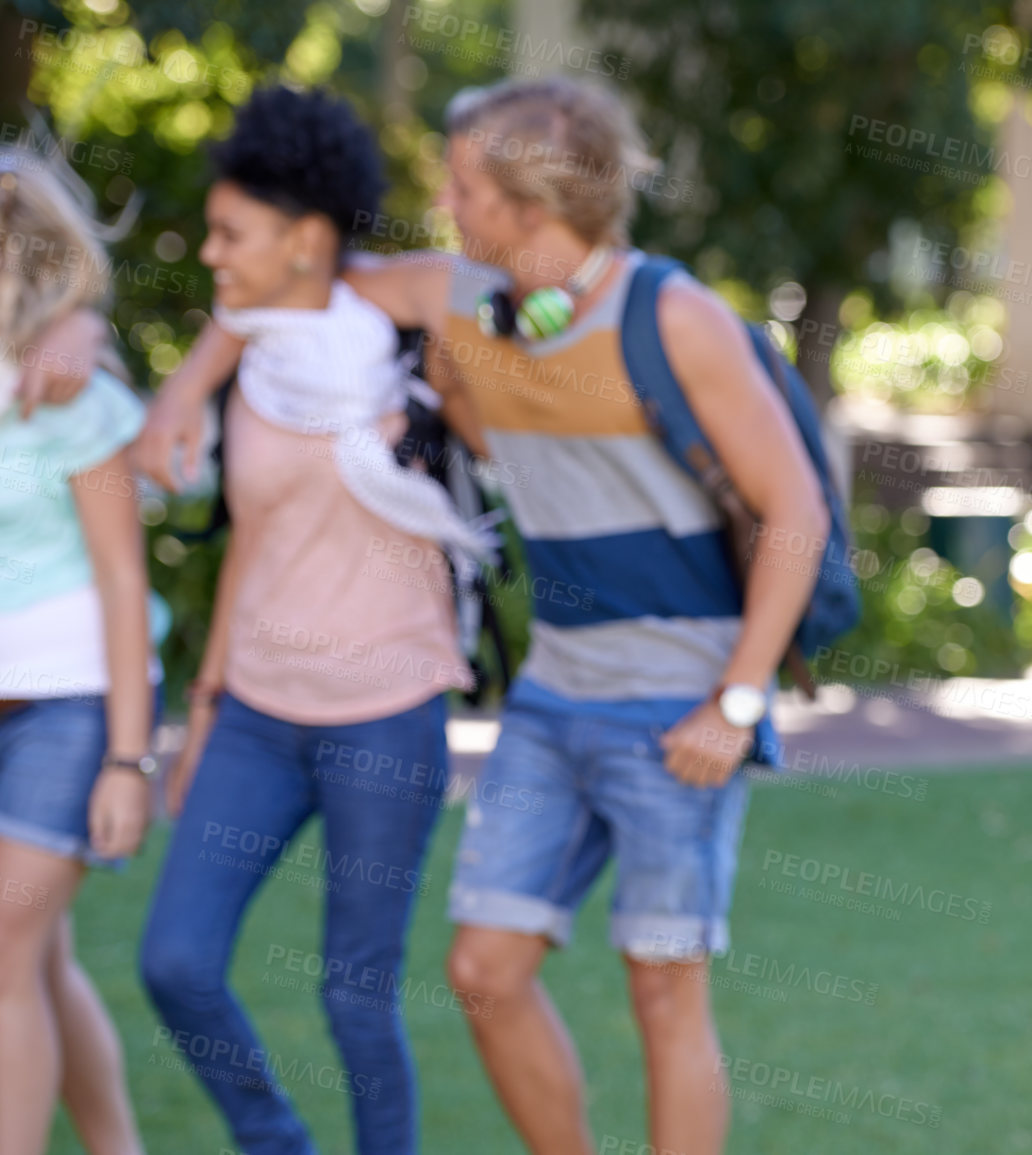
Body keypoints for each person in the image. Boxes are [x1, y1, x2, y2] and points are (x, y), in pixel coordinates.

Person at [131, 75, 829, 1155]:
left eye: (464, 187)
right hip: (555, 691)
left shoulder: (671, 317)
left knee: (661, 992)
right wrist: (186, 389)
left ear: (529, 205)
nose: (447, 205)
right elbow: (301, 280)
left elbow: (796, 511)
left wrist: (738, 700)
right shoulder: (463, 293)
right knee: (483, 972)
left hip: (681, 699)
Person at [134, 87, 481, 1155]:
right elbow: (253, 532)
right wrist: (200, 707)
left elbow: (496, 281)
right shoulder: (255, 360)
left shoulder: (400, 339)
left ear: (309, 237)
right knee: (176, 962)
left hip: (386, 715)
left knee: (355, 1000)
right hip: (255, 717)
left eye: (233, 233)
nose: (209, 252)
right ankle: (273, 1142)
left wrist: (346, 284)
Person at [0, 144, 157, 1155]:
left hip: (69, 703)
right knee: (39, 959)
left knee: (4, 960)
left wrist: (128, 760)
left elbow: (124, 580)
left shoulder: (76, 398)